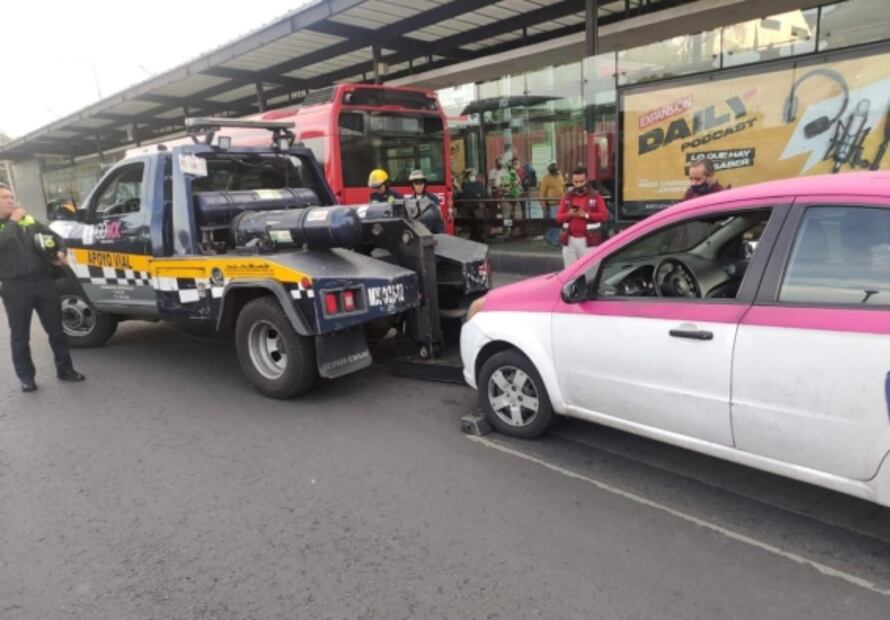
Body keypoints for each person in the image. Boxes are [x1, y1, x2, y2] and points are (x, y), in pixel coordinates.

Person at [0, 183, 84, 392]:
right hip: (15, 286)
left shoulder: (29, 220)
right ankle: (26, 378)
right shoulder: (14, 222)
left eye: (11, 196)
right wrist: (13, 221)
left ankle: (65, 370)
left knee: (56, 330)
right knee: (20, 335)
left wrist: (60, 252)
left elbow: (55, 238)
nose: (11, 200)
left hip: (43, 282)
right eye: (5, 197)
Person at [556, 166, 608, 268]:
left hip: (589, 241)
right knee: (570, 273)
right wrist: (569, 214)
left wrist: (586, 214)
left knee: (589, 271)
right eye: (576, 182)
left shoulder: (595, 196)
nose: (578, 184)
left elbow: (604, 216)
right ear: (572, 181)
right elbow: (558, 218)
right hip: (569, 241)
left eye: (581, 181)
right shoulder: (567, 196)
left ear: (587, 180)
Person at [406, 169, 445, 233]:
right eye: (416, 184)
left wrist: (441, 236)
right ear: (412, 185)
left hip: (432, 233)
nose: (419, 186)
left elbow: (439, 221)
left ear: (424, 184)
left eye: (421, 183)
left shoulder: (432, 199)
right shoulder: (410, 201)